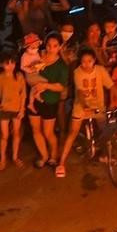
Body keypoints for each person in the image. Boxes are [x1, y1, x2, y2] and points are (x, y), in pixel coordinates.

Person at [61, 48, 114, 169]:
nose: (86, 64)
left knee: (105, 131)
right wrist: (85, 106)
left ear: (94, 60)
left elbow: (111, 86)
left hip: (98, 107)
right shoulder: (77, 72)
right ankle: (61, 163)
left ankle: (106, 155)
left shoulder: (100, 70)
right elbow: (80, 93)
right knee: (72, 133)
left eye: (89, 61)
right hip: (81, 107)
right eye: (83, 61)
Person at [29, 33, 71, 170]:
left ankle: (53, 155)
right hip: (34, 98)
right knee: (36, 129)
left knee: (48, 132)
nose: (50, 48)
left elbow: (60, 86)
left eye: (54, 46)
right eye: (48, 45)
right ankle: (44, 156)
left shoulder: (61, 66)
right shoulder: (38, 57)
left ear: (59, 47)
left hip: (50, 101)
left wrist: (45, 86)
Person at [0, 53, 28, 169]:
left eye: (12, 63)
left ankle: (15, 156)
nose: (11, 66)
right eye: (7, 64)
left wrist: (22, 109)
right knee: (4, 135)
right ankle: (2, 158)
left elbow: (23, 94)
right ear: (2, 64)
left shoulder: (19, 76)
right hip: (4, 109)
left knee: (16, 133)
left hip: (17, 109)